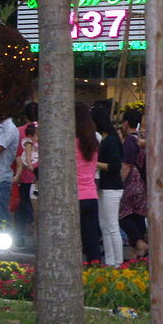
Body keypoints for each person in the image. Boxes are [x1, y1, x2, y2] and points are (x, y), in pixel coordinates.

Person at [91, 105, 124, 267]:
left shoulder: (110, 140)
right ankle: (110, 261)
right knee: (105, 225)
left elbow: (115, 166)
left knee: (111, 225)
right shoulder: (106, 138)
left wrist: (94, 163)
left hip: (112, 187)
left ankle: (117, 262)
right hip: (105, 186)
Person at [74, 102, 101, 263]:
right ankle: (96, 278)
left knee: (70, 241)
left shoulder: (69, 141)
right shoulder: (94, 140)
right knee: (92, 243)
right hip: (91, 194)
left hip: (73, 197)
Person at [119, 108, 148, 259]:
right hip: (143, 182)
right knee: (137, 216)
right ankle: (137, 252)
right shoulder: (142, 137)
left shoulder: (130, 140)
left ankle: (139, 243)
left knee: (122, 214)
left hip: (132, 181)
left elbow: (127, 164)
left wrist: (120, 181)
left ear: (126, 123)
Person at [13, 103, 37, 247]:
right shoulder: (46, 130)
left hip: (23, 176)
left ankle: (19, 236)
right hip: (40, 177)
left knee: (22, 206)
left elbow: (16, 155)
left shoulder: (19, 131)